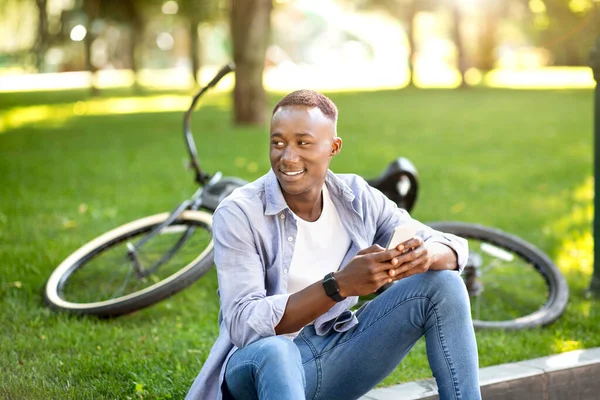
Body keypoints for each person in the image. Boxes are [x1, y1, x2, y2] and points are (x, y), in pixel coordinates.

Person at [186, 90, 481, 400]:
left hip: (334, 354)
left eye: (303, 143)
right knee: (278, 352)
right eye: (278, 143)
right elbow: (244, 323)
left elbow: (452, 246)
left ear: (333, 147)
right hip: (259, 369)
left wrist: (425, 256)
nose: (288, 156)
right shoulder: (239, 212)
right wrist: (337, 286)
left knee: (445, 284)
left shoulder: (355, 196)